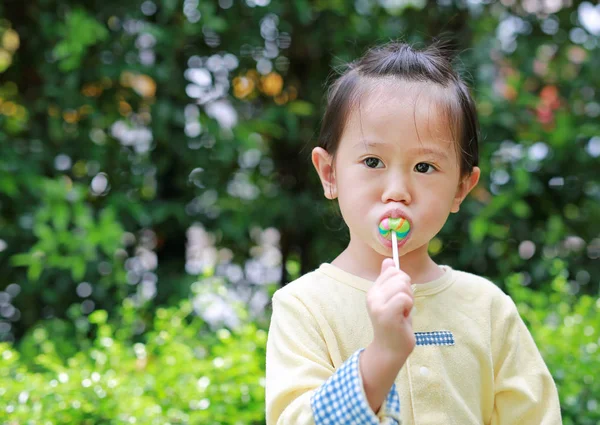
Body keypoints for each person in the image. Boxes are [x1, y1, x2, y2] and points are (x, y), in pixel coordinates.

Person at [265, 41, 561, 425]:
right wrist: (382, 357)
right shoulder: (304, 307)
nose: (397, 190)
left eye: (424, 167)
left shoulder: (488, 309)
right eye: (373, 161)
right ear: (330, 173)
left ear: (461, 188)